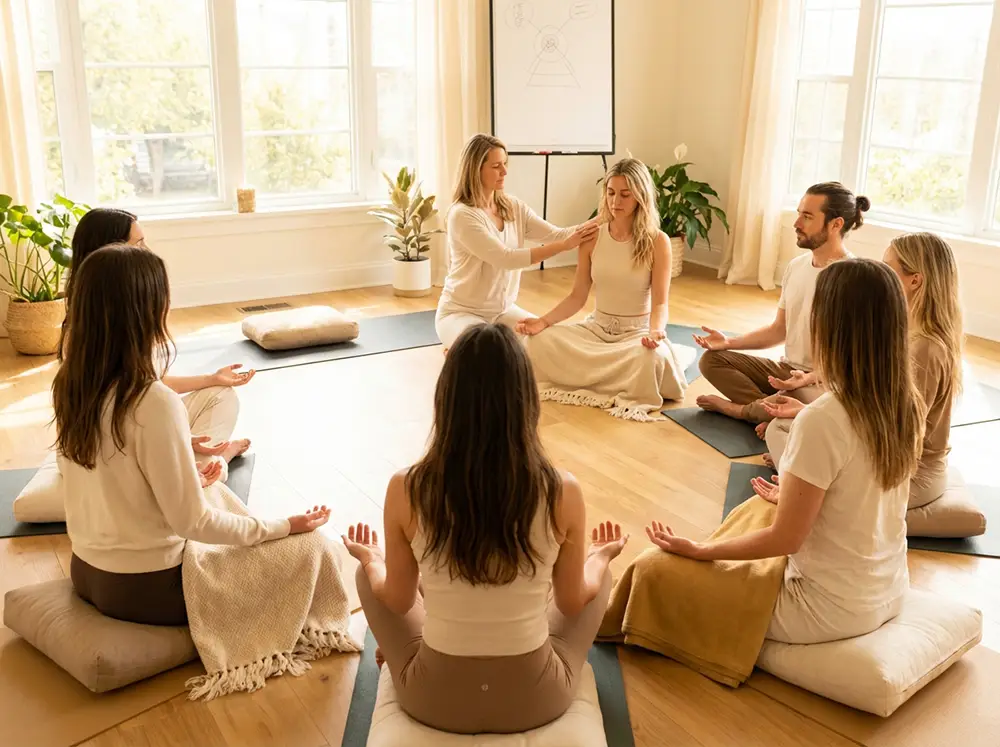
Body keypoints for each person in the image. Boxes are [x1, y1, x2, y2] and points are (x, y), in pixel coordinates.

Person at [342, 323, 627, 734]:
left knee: (369, 578)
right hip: (537, 699)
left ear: (446, 399)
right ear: (526, 400)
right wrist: (600, 557)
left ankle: (399, 647)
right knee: (595, 579)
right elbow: (571, 602)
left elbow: (399, 600)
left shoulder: (406, 487)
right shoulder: (562, 489)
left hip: (433, 699)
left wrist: (371, 560)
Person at [647, 258, 924, 644]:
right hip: (889, 589)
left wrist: (700, 550)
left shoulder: (823, 419)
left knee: (653, 574)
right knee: (761, 508)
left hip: (825, 609)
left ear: (830, 327)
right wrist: (800, 497)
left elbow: (785, 541)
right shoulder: (905, 402)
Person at [51, 244, 330, 626]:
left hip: (84, 573)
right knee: (312, 549)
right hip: (147, 590)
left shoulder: (70, 385)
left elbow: (102, 484)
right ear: (147, 310)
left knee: (212, 491)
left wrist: (185, 477)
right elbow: (193, 524)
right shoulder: (153, 400)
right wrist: (285, 526)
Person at [762, 232, 963, 510]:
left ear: (915, 280)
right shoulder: (905, 328)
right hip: (886, 449)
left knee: (789, 430)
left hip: (909, 472)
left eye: (887, 267)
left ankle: (796, 485)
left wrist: (810, 418)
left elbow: (898, 433)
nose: (879, 273)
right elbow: (871, 397)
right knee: (791, 426)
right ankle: (800, 473)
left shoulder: (926, 349)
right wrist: (809, 411)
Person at [65, 207, 254, 479]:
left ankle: (203, 463)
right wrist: (178, 438)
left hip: (141, 427)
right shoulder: (88, 331)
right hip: (120, 443)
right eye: (139, 243)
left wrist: (212, 378)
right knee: (206, 472)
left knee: (221, 395)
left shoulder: (124, 315)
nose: (148, 251)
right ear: (112, 252)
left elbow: (144, 383)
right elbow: (118, 413)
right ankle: (216, 461)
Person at [516, 158, 694, 420]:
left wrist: (656, 331)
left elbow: (659, 302)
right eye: (611, 193)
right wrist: (542, 322)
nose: (615, 202)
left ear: (640, 197)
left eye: (625, 194)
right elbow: (577, 297)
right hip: (596, 330)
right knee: (537, 341)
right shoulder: (592, 237)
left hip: (636, 335)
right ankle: (609, 379)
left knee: (647, 359)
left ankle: (603, 377)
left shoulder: (658, 241)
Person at [693, 182, 868, 423]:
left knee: (821, 404)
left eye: (807, 217)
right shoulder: (796, 267)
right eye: (798, 214)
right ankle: (777, 412)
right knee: (712, 361)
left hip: (824, 383)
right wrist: (728, 342)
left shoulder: (856, 277)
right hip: (787, 372)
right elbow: (779, 330)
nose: (796, 224)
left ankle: (744, 411)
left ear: (836, 224)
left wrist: (808, 379)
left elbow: (854, 360)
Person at [435, 134, 599, 349]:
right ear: (476, 170)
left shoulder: (513, 207)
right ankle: (458, 353)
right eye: (496, 166)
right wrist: (563, 246)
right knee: (487, 349)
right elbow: (506, 259)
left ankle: (459, 353)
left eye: (504, 164)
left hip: (504, 312)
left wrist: (607, 216)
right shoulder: (462, 215)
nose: (504, 172)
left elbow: (558, 235)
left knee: (548, 341)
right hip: (461, 313)